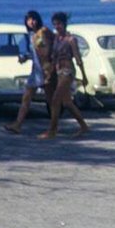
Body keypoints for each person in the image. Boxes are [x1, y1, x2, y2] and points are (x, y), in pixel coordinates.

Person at [3, 10, 55, 135]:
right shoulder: (32, 34)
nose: (32, 22)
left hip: (46, 69)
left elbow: (50, 46)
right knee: (27, 98)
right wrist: (25, 57)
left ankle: (55, 126)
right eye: (29, 20)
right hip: (36, 71)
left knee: (51, 100)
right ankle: (18, 124)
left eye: (34, 19)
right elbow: (35, 52)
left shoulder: (43, 31)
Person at [40, 12, 89, 140]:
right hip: (58, 70)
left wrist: (84, 76)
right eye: (55, 24)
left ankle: (52, 130)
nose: (57, 27)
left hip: (68, 71)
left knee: (56, 100)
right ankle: (83, 125)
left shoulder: (71, 40)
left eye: (59, 24)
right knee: (67, 102)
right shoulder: (56, 39)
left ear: (64, 24)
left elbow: (78, 58)